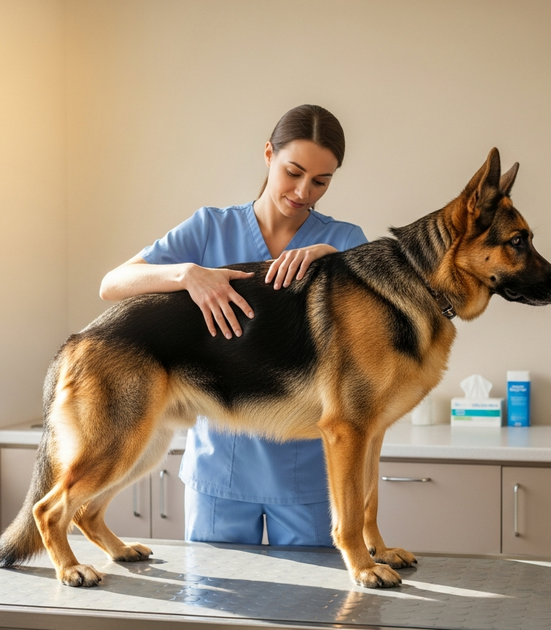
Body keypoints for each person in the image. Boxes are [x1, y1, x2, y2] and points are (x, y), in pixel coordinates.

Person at [99, 104, 368, 546]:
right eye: (293, 171)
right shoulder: (210, 229)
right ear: (268, 155)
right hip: (219, 471)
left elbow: (371, 340)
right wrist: (185, 274)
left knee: (315, 611)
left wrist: (335, 264)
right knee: (213, 610)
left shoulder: (345, 242)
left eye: (321, 181)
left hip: (309, 479)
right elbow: (113, 284)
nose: (303, 191)